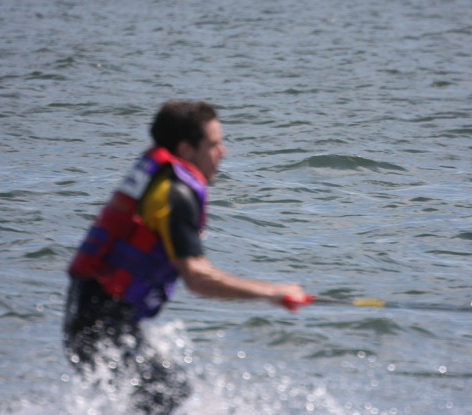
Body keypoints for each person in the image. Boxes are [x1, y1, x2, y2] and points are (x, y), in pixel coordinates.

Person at [63, 100, 312, 414]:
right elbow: (197, 277)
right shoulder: (174, 194)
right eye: (213, 144)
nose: (223, 152)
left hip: (95, 321)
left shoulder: (162, 182)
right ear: (186, 149)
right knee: (167, 397)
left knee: (171, 394)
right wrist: (273, 292)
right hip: (99, 327)